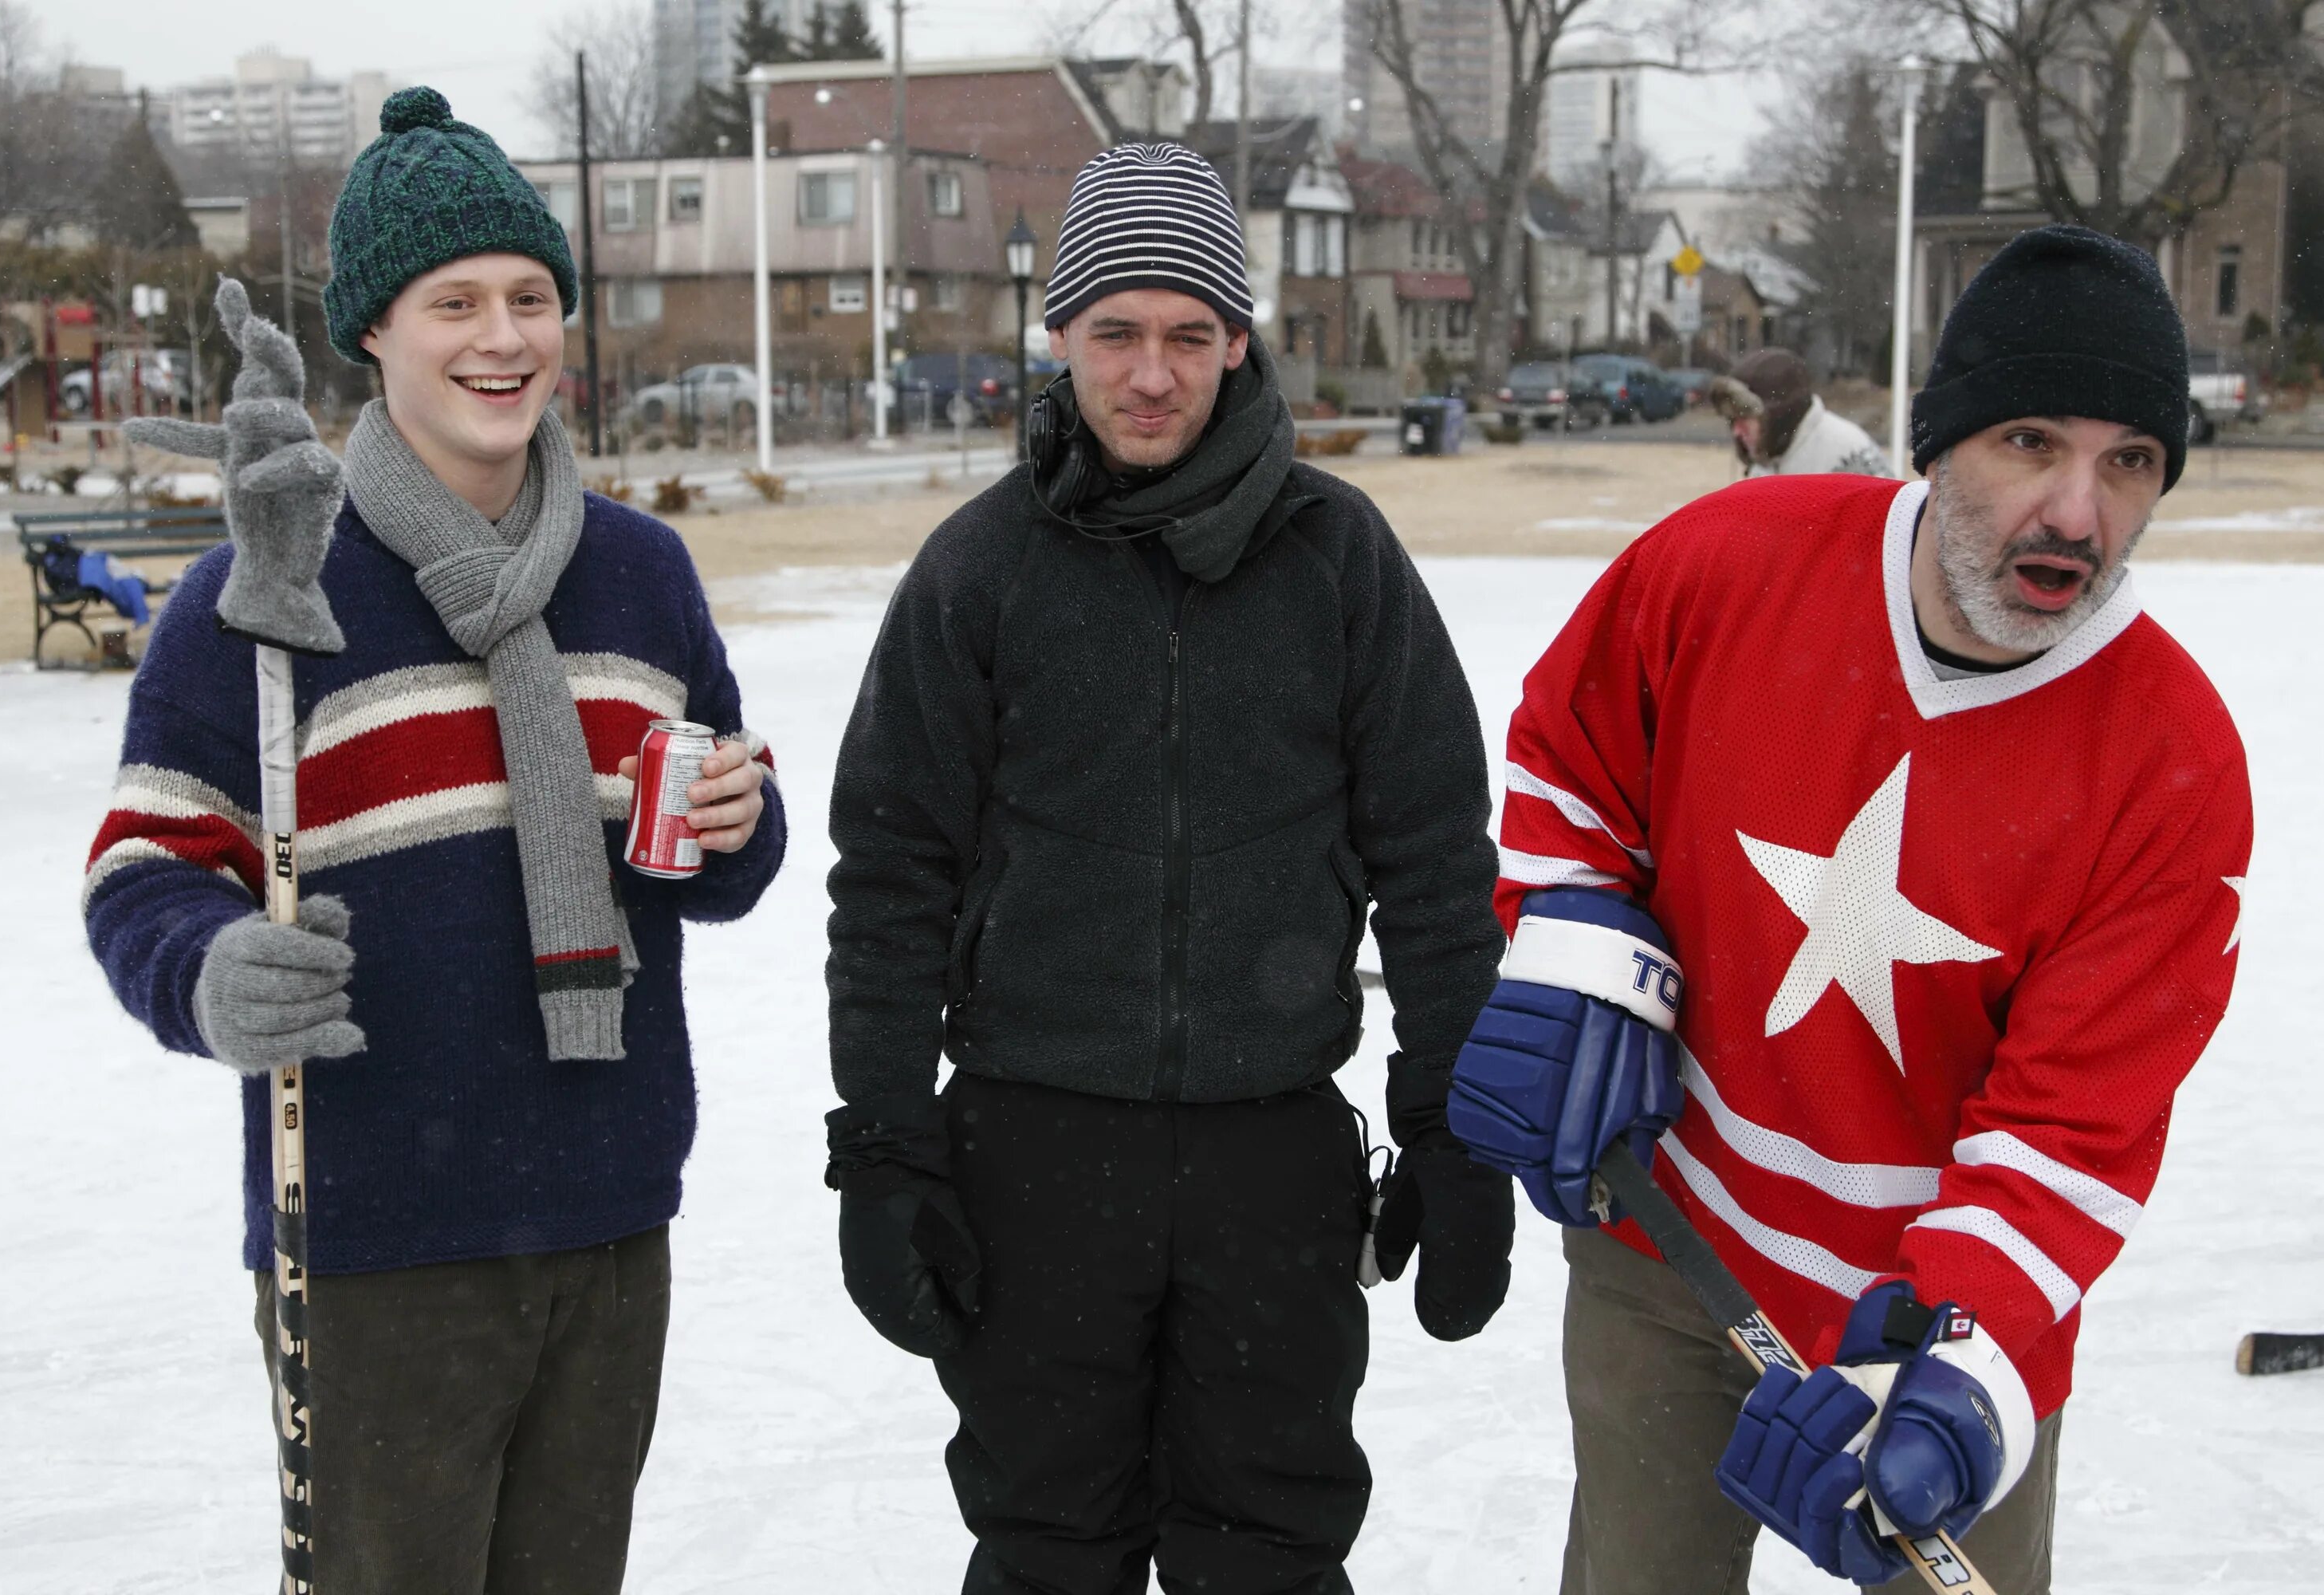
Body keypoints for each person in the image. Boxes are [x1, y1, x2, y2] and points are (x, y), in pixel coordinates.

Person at [1449, 223, 2250, 1594]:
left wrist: (1963, 1361)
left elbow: (2077, 1128)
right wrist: (1583, 966)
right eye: (2031, 445)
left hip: (1940, 1316)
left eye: (2129, 463)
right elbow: (1570, 765)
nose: (2078, 513)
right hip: (1670, 1244)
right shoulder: (1724, 564)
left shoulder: (2175, 763)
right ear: (1939, 443)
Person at [82, 86, 785, 1591]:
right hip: (372, 1225)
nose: (503, 336)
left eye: (531, 297)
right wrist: (207, 969)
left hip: (605, 1210)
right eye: (453, 300)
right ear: (373, 334)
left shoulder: (641, 574)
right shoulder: (264, 593)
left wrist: (739, 821)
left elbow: (715, 840)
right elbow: (145, 864)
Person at [823, 141, 1514, 1595]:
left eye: (1190, 335)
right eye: (1119, 333)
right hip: (1036, 1157)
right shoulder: (981, 568)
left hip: (1273, 1161)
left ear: (1239, 343)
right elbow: (892, 872)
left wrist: (1451, 1132)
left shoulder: (1340, 559)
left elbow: (1438, 866)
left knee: (1269, 1552)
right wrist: (884, 1148)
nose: (1153, 374)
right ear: (1060, 335)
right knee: (1047, 1550)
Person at [1712, 346, 1897, 478]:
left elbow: (1891, 527)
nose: (1737, 430)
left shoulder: (1848, 454)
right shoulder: (1767, 459)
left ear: (1779, 416)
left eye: (1744, 417)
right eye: (1732, 420)